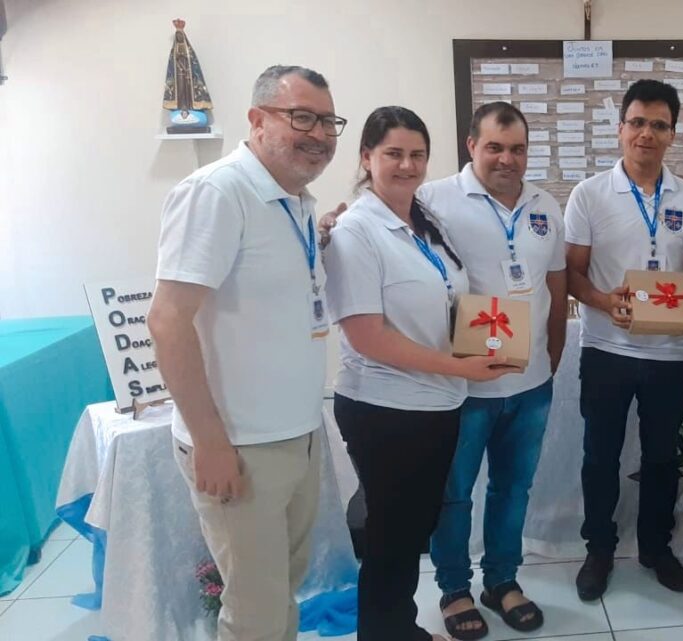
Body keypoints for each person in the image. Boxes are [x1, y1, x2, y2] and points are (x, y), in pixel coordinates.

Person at [149, 64, 344, 641]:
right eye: (301, 117)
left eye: (328, 121)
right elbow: (166, 320)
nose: (319, 133)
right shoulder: (217, 191)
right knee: (254, 612)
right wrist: (210, 442)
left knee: (284, 585)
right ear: (257, 120)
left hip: (298, 433)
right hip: (240, 445)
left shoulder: (296, 200)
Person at [322, 106, 518, 641]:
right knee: (392, 537)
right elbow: (368, 336)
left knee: (412, 531)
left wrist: (484, 344)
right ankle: (384, 633)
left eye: (416, 155)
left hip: (436, 404)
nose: (407, 165)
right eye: (393, 154)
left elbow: (445, 302)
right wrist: (459, 366)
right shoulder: (356, 231)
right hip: (386, 408)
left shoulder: (424, 221)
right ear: (366, 157)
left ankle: (399, 626)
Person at [565, 79, 683, 601]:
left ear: (672, 133)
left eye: (659, 125)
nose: (647, 134)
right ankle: (600, 548)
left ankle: (656, 547)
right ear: (621, 128)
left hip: (669, 355)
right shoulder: (589, 195)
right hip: (607, 348)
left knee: (661, 457)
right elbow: (573, 275)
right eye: (637, 122)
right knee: (599, 455)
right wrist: (606, 301)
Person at [416, 102, 567, 639]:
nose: (507, 158)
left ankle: (501, 580)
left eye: (518, 148)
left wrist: (551, 360)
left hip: (530, 384)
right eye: (495, 147)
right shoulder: (431, 200)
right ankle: (454, 589)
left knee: (513, 489)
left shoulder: (546, 204)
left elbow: (556, 286)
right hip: (463, 386)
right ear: (471, 145)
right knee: (454, 493)